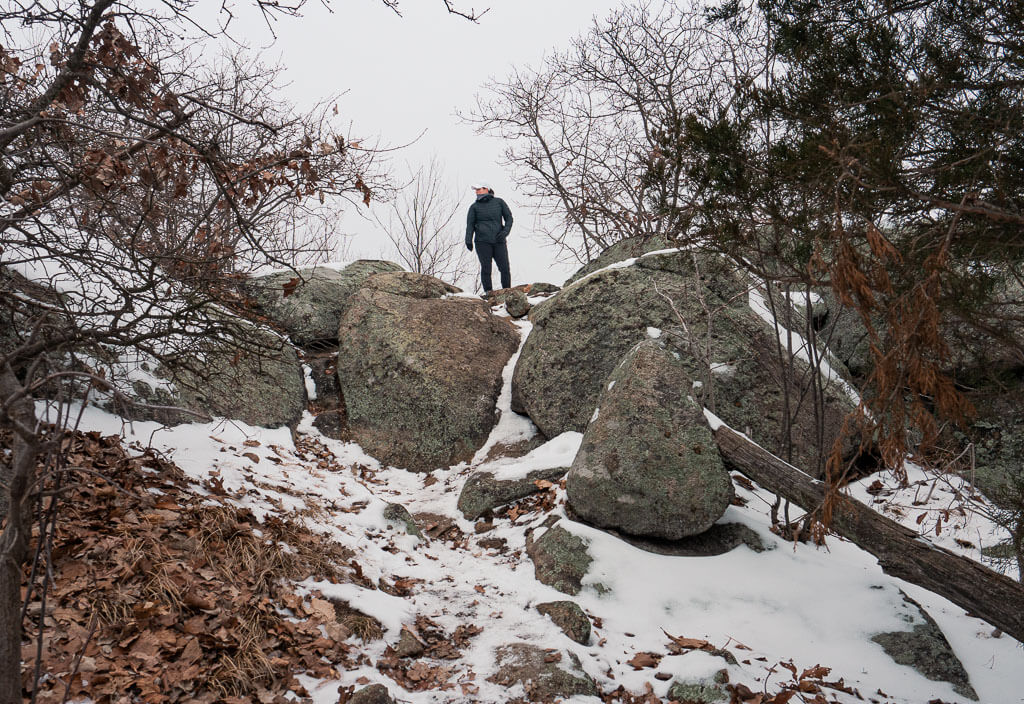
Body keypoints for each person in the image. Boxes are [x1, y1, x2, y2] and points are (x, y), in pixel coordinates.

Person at [465, 181, 513, 292]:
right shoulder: (474, 207)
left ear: (487, 189)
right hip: (482, 242)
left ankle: (507, 292)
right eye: (476, 190)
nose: (477, 191)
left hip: (499, 240)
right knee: (486, 268)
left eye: (479, 189)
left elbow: (509, 218)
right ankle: (488, 293)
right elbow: (470, 225)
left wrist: (505, 232)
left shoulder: (499, 202)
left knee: (504, 268)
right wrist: (468, 239)